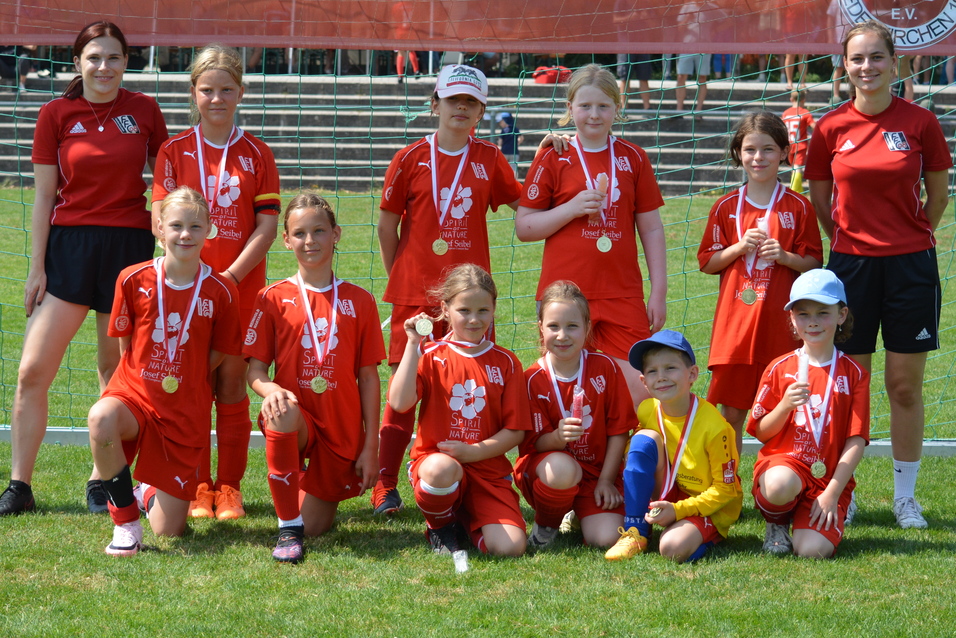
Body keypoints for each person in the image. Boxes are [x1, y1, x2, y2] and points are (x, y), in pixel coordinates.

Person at [0, 21, 168, 517]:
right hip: (69, 249)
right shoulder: (56, 113)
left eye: (113, 57)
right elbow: (45, 197)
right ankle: (19, 486)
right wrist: (37, 268)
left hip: (129, 249)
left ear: (125, 62)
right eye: (94, 57)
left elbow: (165, 178)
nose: (103, 67)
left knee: (111, 371)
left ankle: (103, 480)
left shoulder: (143, 110)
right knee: (32, 371)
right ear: (77, 62)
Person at [806, 20, 952, 530]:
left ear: (895, 62)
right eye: (856, 59)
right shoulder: (828, 128)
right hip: (850, 269)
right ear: (844, 66)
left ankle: (905, 498)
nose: (866, 67)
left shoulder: (921, 123)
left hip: (912, 266)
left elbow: (938, 198)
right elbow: (822, 205)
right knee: (850, 384)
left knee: (904, 386)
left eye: (875, 58)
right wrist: (854, 244)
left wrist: (907, 237)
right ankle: (836, 494)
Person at [372, 64, 522, 516]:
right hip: (416, 296)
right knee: (403, 389)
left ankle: (464, 477)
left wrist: (557, 154)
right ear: (434, 104)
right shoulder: (410, 157)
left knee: (466, 387)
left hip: (470, 301)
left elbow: (527, 202)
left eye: (471, 102)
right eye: (453, 99)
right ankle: (385, 484)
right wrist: (402, 277)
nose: (462, 107)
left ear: (481, 110)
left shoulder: (491, 158)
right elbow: (386, 224)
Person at [152, 44, 281, 520]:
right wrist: (198, 278)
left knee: (230, 384)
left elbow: (267, 228)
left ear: (241, 93)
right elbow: (158, 220)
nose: (217, 98)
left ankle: (228, 489)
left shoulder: (257, 153)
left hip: (238, 289)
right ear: (193, 93)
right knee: (189, 386)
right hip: (185, 289)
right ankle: (195, 484)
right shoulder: (173, 150)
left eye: (227, 89)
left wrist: (226, 278)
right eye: (207, 90)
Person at [87, 187, 241, 556]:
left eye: (194, 226)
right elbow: (126, 346)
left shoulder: (221, 290)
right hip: (136, 394)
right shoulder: (131, 278)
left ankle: (146, 490)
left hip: (184, 410)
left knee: (170, 530)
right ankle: (125, 523)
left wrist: (183, 373)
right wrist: (146, 375)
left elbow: (219, 351)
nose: (184, 234)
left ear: (209, 230)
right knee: (100, 418)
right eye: (175, 225)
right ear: (159, 228)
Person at [516, 63, 667, 413]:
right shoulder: (554, 155)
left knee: (639, 389)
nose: (594, 115)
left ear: (618, 107)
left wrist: (658, 290)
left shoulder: (633, 158)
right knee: (566, 389)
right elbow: (525, 228)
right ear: (570, 109)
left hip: (621, 292)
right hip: (565, 295)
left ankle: (624, 465)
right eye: (584, 106)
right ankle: (569, 462)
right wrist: (570, 209)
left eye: (603, 106)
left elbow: (652, 227)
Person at [245, 194, 386, 563]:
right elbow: (255, 372)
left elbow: (369, 379)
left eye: (319, 231)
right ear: (287, 240)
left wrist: (371, 446)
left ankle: (302, 492)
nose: (310, 241)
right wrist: (271, 388)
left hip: (340, 429)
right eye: (300, 233)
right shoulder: (272, 298)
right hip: (297, 415)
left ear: (336, 234)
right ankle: (287, 529)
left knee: (318, 527)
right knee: (281, 411)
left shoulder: (360, 301)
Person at [698, 110, 822, 452]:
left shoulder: (799, 207)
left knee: (787, 409)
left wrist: (784, 257)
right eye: (751, 149)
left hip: (780, 326)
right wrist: (738, 248)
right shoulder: (725, 206)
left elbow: (814, 262)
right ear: (739, 153)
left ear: (784, 152)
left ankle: (784, 480)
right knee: (731, 414)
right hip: (735, 328)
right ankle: (729, 489)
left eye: (768, 149)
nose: (759, 157)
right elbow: (707, 261)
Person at [388, 264, 530, 561]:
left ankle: (467, 523)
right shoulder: (430, 354)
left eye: (483, 310)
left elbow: (515, 432)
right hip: (439, 464)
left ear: (493, 309)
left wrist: (472, 452)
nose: (474, 319)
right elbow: (399, 403)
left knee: (511, 548)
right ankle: (440, 525)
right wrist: (413, 344)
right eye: (464, 310)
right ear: (445, 309)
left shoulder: (506, 362)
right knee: (440, 470)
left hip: (488, 470)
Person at [747, 269, 869, 558]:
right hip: (785, 467)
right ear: (792, 318)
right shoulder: (779, 368)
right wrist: (784, 406)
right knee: (779, 486)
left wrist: (832, 493)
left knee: (811, 551)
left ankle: (815, 514)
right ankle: (776, 523)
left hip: (826, 478)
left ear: (841, 315)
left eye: (822, 312)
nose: (812, 322)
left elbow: (856, 441)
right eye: (803, 314)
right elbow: (760, 431)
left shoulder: (854, 374)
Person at [515, 281, 635, 549]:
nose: (562, 335)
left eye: (572, 326)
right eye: (553, 326)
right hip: (549, 473)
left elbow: (619, 431)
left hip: (597, 475)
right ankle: (547, 522)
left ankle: (580, 513)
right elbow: (531, 444)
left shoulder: (606, 367)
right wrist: (558, 437)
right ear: (541, 328)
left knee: (606, 538)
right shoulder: (531, 379)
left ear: (587, 329)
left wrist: (605, 480)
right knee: (561, 469)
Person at [604, 330, 742, 562]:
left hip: (707, 503)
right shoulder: (647, 409)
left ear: (692, 374)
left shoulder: (715, 427)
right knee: (642, 440)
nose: (661, 377)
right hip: (668, 490)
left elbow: (725, 490)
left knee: (671, 548)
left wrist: (679, 511)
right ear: (644, 382)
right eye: (652, 371)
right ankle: (636, 530)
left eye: (670, 368)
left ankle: (705, 534)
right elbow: (639, 456)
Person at [781, 90, 815, 192]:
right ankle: (794, 192)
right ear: (804, 100)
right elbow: (814, 126)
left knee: (793, 170)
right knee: (797, 169)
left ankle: (799, 193)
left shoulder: (786, 113)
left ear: (791, 99)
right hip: (800, 145)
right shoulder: (804, 112)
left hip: (788, 146)